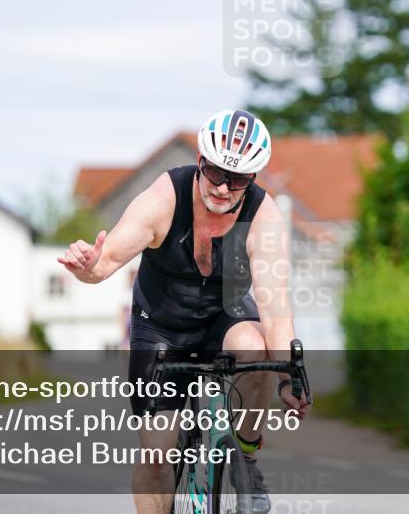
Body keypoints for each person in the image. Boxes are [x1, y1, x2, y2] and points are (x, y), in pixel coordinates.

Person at [58, 108, 310, 514]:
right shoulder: (163, 199)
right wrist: (87, 267)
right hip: (161, 327)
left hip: (225, 318)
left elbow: (275, 309)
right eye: (215, 172)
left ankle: (246, 460)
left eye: (237, 179)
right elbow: (104, 265)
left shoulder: (263, 218)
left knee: (256, 347)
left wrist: (288, 376)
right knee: (158, 457)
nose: (223, 188)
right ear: (200, 160)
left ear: (253, 178)